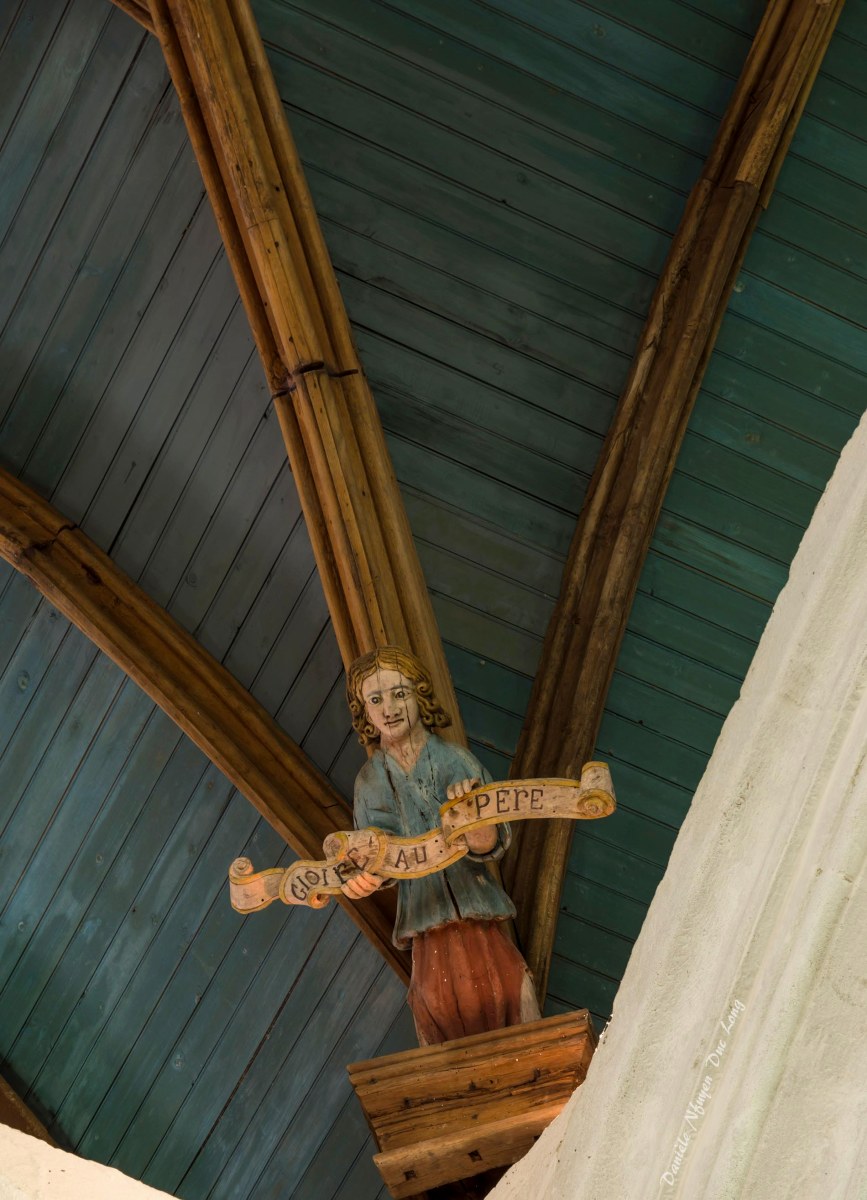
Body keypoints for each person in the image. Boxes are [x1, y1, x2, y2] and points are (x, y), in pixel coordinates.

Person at [342, 645, 539, 1045]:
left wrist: (476, 827)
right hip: (425, 927)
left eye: (399, 693)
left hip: (478, 915)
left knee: (510, 993)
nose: (389, 708)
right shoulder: (370, 783)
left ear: (419, 695)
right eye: (375, 699)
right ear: (364, 711)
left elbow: (493, 840)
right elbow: (372, 861)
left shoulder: (453, 760)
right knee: (437, 1011)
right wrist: (363, 879)